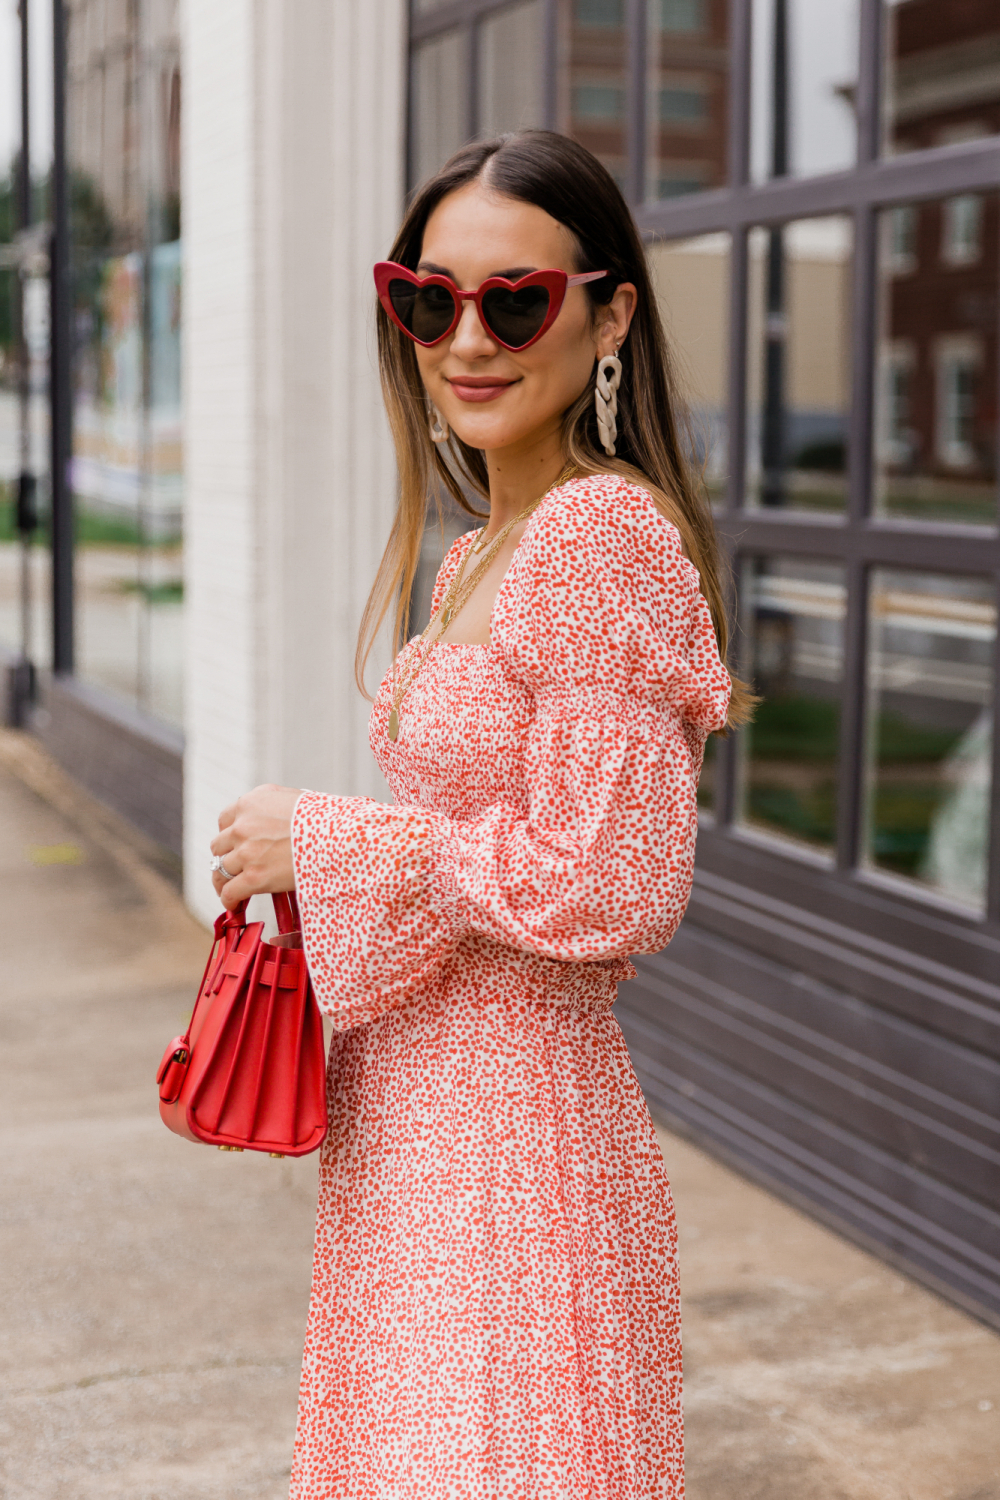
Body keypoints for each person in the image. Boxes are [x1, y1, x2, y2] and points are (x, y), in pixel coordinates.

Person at [209, 130, 752, 1500]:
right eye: (426, 296)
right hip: (421, 1120)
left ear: (609, 311)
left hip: (516, 1140)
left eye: (515, 299)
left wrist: (325, 840)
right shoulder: (474, 555)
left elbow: (613, 882)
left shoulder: (596, 539)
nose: (466, 338)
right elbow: (485, 853)